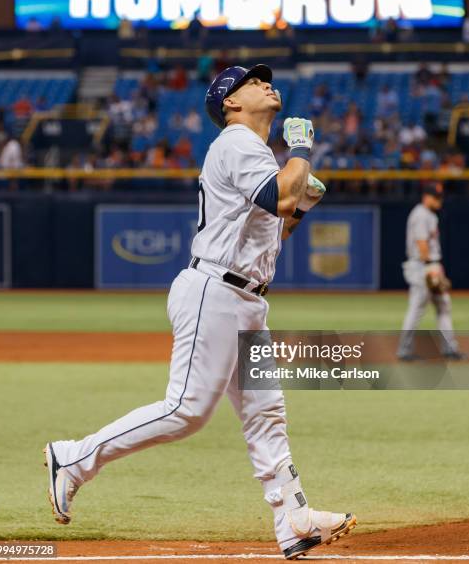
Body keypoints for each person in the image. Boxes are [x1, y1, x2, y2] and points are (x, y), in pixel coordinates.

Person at [43, 64, 356, 560]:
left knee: (265, 413)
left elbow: (279, 224)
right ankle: (74, 458)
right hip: (216, 291)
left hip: (245, 297)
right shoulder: (237, 143)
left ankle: (293, 518)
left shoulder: (251, 152)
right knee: (186, 410)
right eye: (252, 82)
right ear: (230, 103)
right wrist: (299, 152)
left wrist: (301, 207)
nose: (265, 84)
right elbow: (279, 196)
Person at [397, 184, 465, 361]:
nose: (439, 200)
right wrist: (431, 269)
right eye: (436, 197)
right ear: (426, 197)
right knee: (417, 309)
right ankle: (404, 350)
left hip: (430, 265)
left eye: (440, 197)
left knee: (443, 306)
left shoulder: (429, 215)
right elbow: (422, 244)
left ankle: (449, 348)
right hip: (422, 267)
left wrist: (435, 267)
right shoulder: (421, 215)